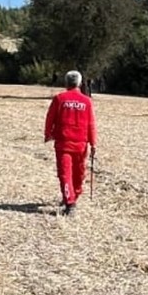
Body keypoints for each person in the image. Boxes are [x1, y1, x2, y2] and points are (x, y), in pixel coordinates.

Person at [44, 70, 97, 215]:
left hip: (63, 144)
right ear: (80, 83)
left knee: (65, 174)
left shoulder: (59, 99)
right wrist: (93, 143)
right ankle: (72, 197)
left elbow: (50, 118)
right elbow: (91, 124)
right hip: (81, 144)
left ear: (66, 83)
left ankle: (70, 201)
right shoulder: (87, 101)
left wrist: (48, 134)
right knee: (79, 174)